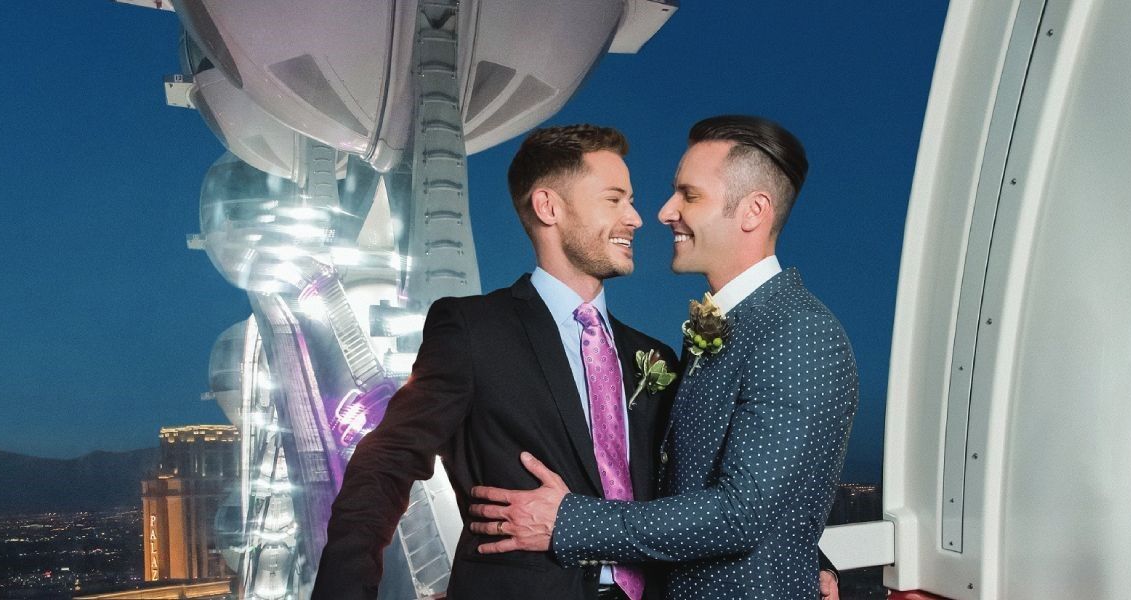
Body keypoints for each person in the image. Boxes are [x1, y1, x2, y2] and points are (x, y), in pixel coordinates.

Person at [469, 115, 858, 600]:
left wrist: (568, 520)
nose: (664, 211)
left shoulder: (799, 332)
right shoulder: (726, 330)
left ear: (753, 211)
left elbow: (741, 512)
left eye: (690, 196)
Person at [311, 124, 681, 600]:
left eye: (630, 200)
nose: (635, 218)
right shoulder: (472, 331)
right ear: (549, 206)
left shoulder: (653, 357)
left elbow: (702, 490)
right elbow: (387, 462)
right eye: (614, 199)